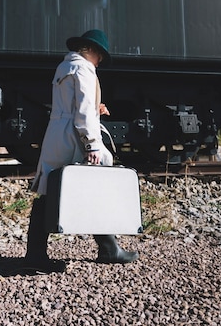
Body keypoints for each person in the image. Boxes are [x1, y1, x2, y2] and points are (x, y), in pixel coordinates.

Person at [24, 29, 139, 271]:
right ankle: (109, 249)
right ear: (93, 51)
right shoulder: (85, 69)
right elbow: (83, 112)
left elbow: (74, 103)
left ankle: (35, 253)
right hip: (75, 135)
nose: (100, 62)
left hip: (57, 133)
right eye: (101, 57)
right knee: (96, 186)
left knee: (49, 189)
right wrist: (92, 145)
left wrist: (96, 108)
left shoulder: (64, 67)